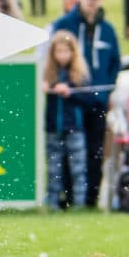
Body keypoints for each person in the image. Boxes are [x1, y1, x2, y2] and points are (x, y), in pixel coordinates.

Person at [52, 0, 120, 208]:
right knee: (68, 152)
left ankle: (90, 200)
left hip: (98, 103)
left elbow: (114, 63)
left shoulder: (107, 30)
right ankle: (68, 198)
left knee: (95, 151)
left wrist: (107, 91)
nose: (91, 1)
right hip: (72, 101)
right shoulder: (66, 24)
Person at [41, 30, 88, 210]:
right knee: (54, 169)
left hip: (74, 128)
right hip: (53, 128)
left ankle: (79, 203)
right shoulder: (49, 74)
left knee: (78, 168)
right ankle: (52, 203)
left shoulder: (79, 75)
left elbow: (89, 100)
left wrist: (70, 93)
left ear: (73, 52)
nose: (62, 56)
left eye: (65, 51)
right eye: (58, 52)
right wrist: (48, 88)